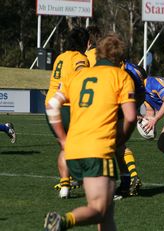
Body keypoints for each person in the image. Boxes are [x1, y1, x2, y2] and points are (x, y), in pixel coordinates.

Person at [44, 33, 137, 230]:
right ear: (120, 56)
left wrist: (62, 138)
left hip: (73, 151)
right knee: (99, 209)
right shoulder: (121, 76)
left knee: (107, 213)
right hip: (98, 151)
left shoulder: (77, 75)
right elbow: (130, 117)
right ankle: (62, 221)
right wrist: (122, 139)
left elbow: (52, 104)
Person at [45, 27, 90, 198]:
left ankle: (65, 185)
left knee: (64, 145)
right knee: (81, 146)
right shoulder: (81, 58)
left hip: (50, 107)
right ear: (86, 43)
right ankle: (84, 180)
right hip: (68, 106)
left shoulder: (60, 57)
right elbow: (81, 73)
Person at [113, 61, 148, 200]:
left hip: (118, 101)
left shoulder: (123, 70)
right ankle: (130, 178)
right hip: (130, 98)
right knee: (118, 144)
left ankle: (125, 183)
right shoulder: (129, 67)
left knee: (113, 143)